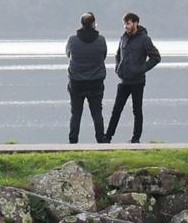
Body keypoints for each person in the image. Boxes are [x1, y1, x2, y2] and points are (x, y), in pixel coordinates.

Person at [105, 12, 161, 144]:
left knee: (137, 110)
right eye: (124, 24)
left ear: (136, 23)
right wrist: (117, 68)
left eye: (128, 23)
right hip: (124, 80)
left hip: (138, 81)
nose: (126, 26)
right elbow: (118, 54)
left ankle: (136, 138)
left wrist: (142, 69)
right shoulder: (123, 38)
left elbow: (156, 57)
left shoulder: (144, 39)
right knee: (116, 109)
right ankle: (107, 137)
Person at [65, 12, 107, 144]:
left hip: (76, 83)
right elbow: (103, 55)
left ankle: (73, 141)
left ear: (81, 24)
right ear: (94, 24)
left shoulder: (72, 40)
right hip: (96, 83)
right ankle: (101, 140)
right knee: (97, 113)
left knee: (76, 114)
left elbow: (68, 54)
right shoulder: (101, 40)